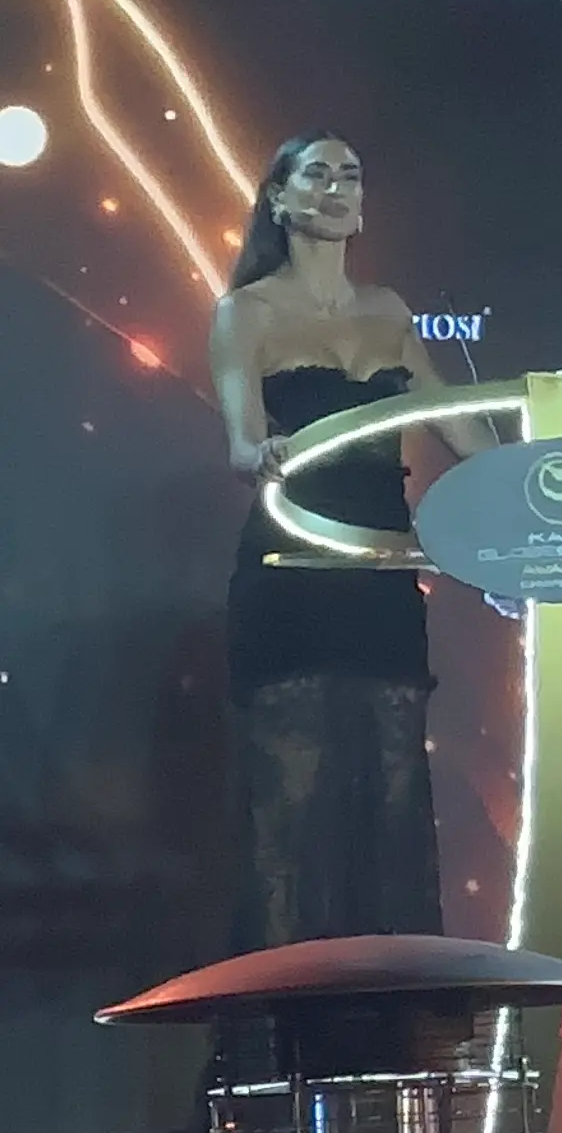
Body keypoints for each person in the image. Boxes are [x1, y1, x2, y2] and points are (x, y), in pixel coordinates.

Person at [210, 130, 494, 951]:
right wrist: (265, 452)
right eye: (317, 174)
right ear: (279, 197)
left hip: (381, 575)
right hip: (292, 569)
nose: (336, 188)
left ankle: (394, 1018)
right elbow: (241, 443)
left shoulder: (389, 311)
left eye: (351, 175)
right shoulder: (246, 312)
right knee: (292, 810)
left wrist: (531, 482)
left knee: (394, 799)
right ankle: (290, 1019)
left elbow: (453, 423)